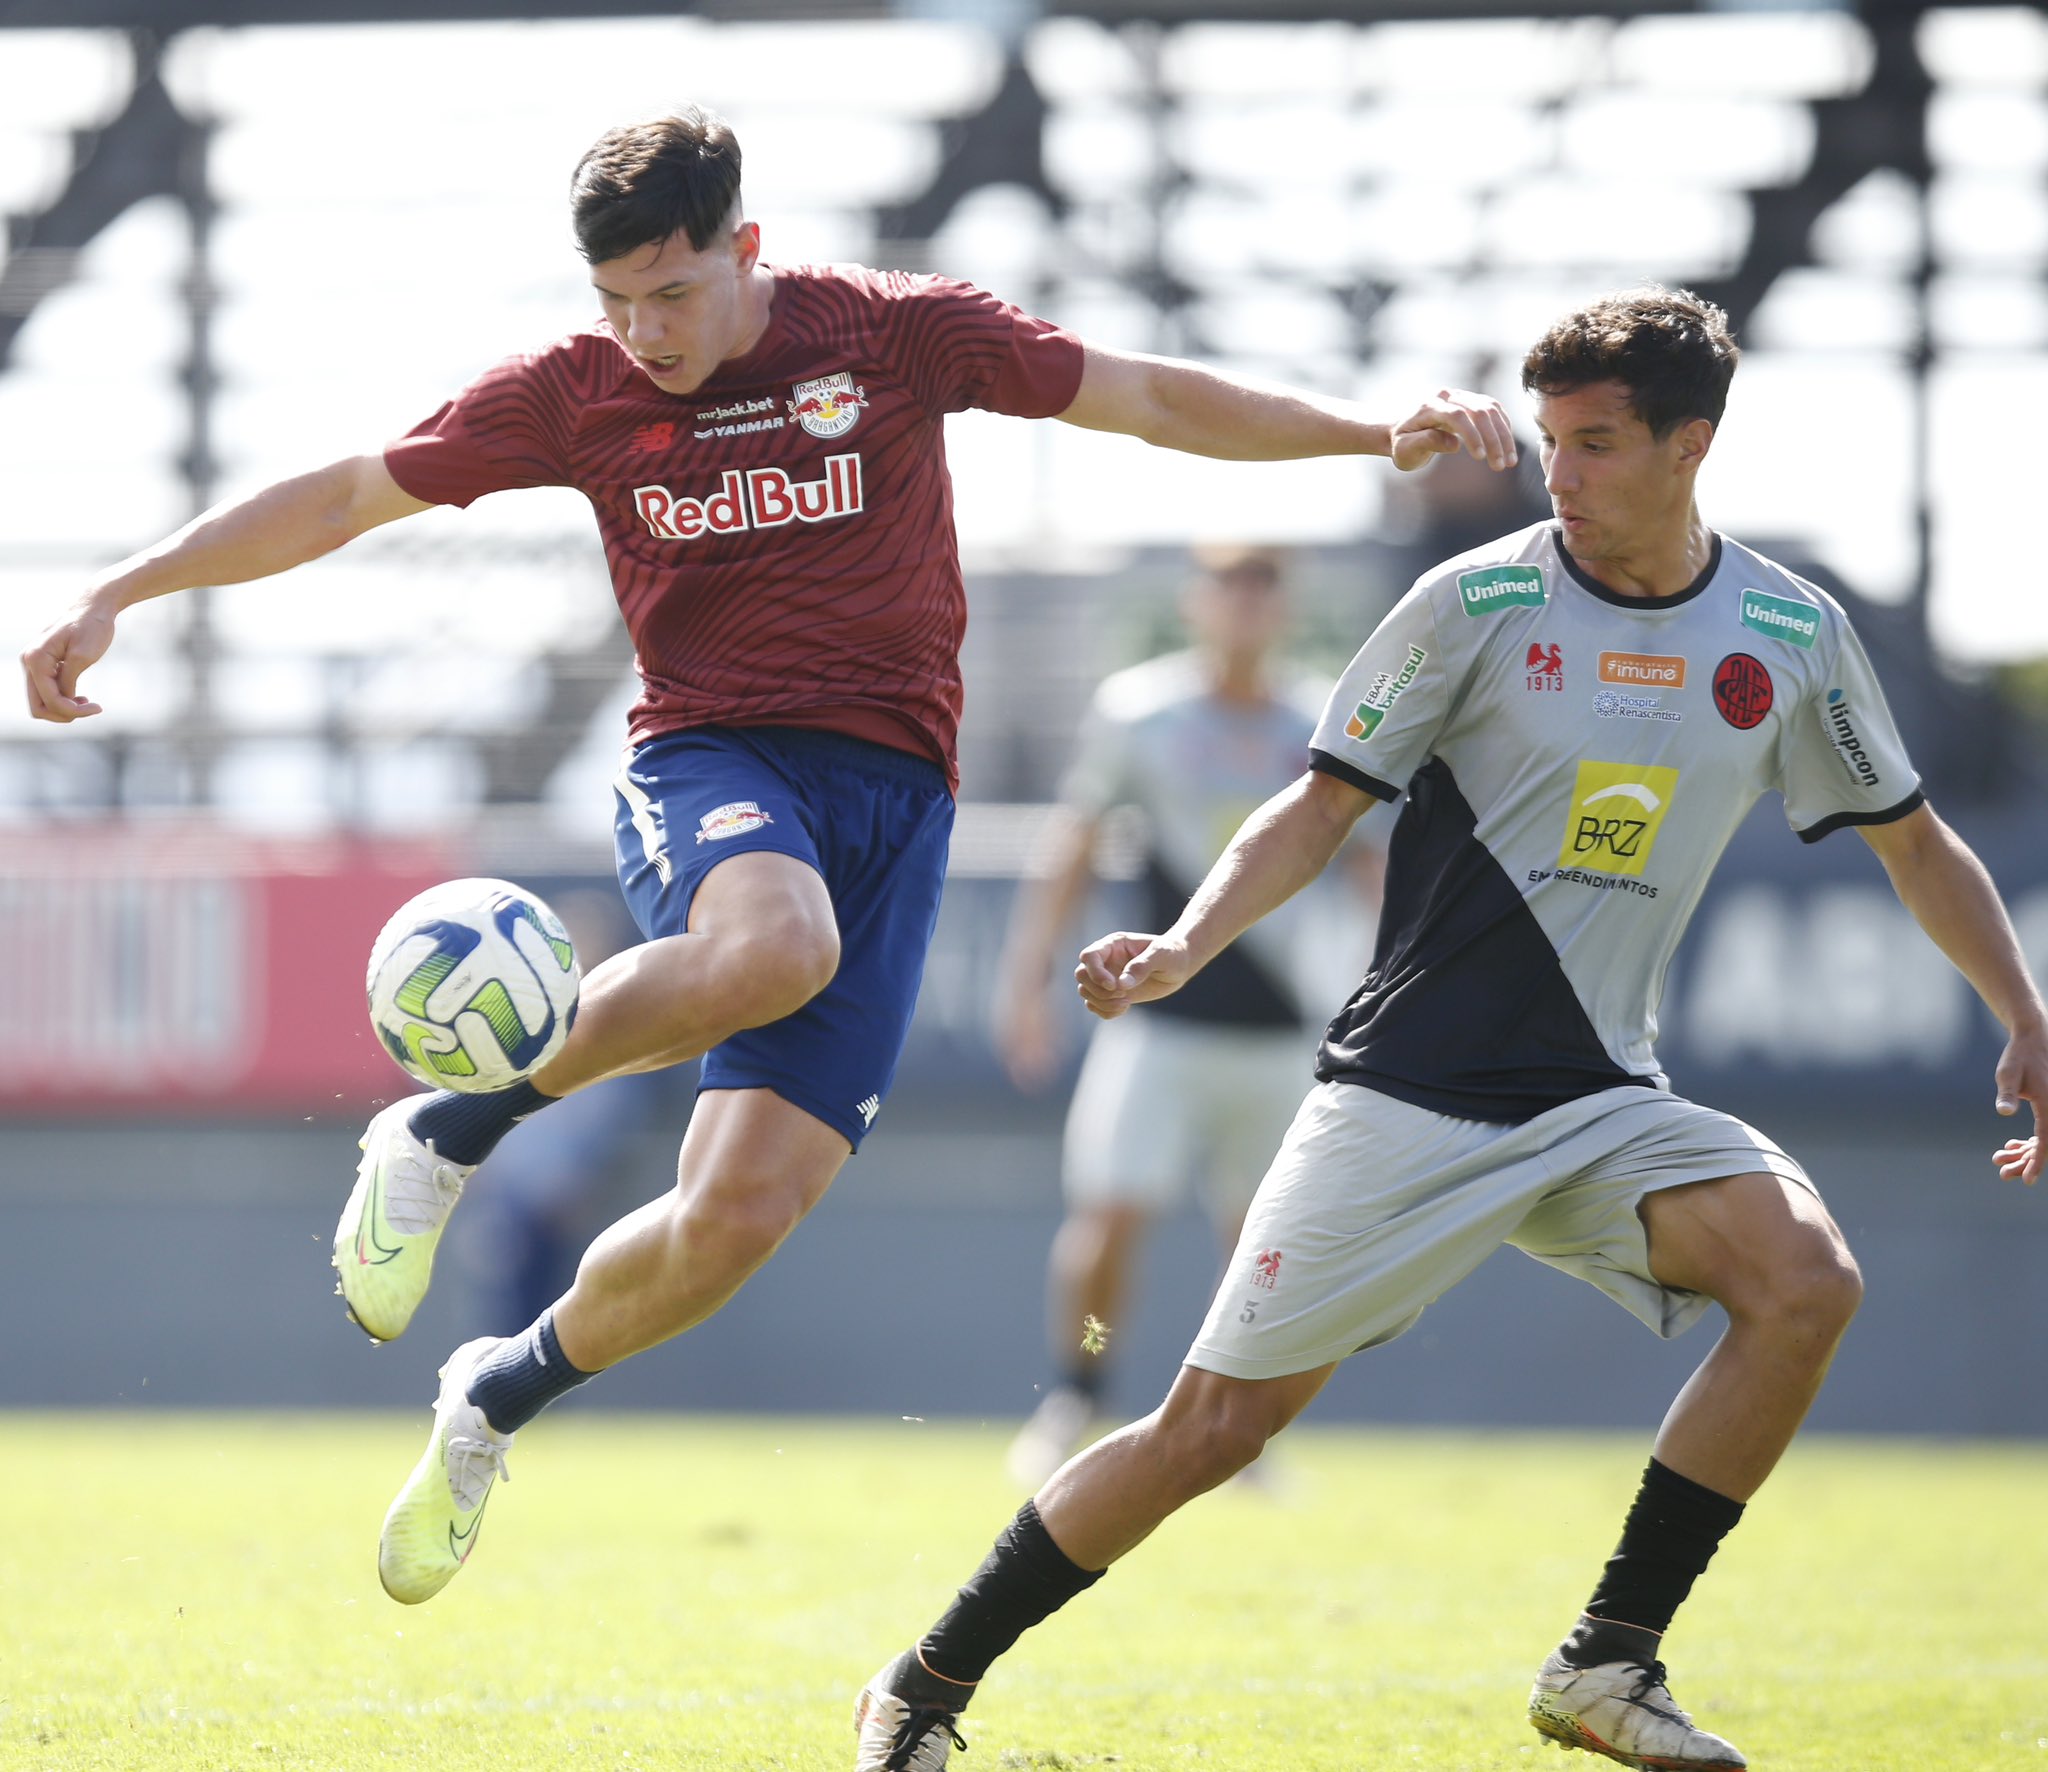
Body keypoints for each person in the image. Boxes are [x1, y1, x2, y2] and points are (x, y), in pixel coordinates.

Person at [17, 105, 1515, 1611]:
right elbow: (352, 491)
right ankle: (444, 1133)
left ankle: (490, 1397)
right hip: (714, 758)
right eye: (615, 302)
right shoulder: (575, 390)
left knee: (733, 1225)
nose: (644, 332)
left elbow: (1139, 399)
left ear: (748, 249)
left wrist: (1365, 430)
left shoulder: (895, 335)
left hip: (900, 806)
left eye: (672, 294)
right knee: (772, 950)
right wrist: (124, 590)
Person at [849, 286, 2045, 1772]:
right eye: (1549, 442)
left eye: (1599, 445)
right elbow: (1316, 804)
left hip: (1607, 1093)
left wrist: (2023, 1012)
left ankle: (1608, 1664)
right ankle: (922, 1680)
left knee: (1806, 1280)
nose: (1564, 476)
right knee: (1212, 1432)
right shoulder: (1476, 604)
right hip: (1408, 1095)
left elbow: (1918, 844)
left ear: (1694, 444)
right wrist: (1179, 945)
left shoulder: (1792, 632)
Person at [994, 542, 1381, 1489]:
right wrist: (1028, 979)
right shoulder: (1142, 711)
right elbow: (1075, 841)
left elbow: (1370, 862)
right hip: (1160, 1025)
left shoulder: (1321, 715)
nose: (1245, 604)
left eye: (1264, 585)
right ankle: (1081, 1386)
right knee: (1112, 1220)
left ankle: (1235, 1423)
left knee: (1259, 1243)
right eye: (1229, 585)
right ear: (1197, 603)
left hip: (1284, 1029)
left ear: (1283, 607)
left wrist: (1386, 987)